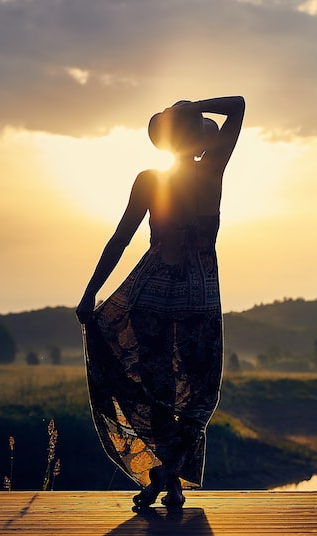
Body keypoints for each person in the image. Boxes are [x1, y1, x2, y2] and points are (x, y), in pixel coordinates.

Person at [76, 96, 244, 509]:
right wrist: (191, 103)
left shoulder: (152, 178)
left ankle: (166, 478)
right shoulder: (211, 172)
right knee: (197, 394)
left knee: (160, 394)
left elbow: (120, 239)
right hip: (196, 299)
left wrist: (91, 290)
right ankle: (169, 479)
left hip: (151, 294)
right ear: (193, 137)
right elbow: (237, 105)